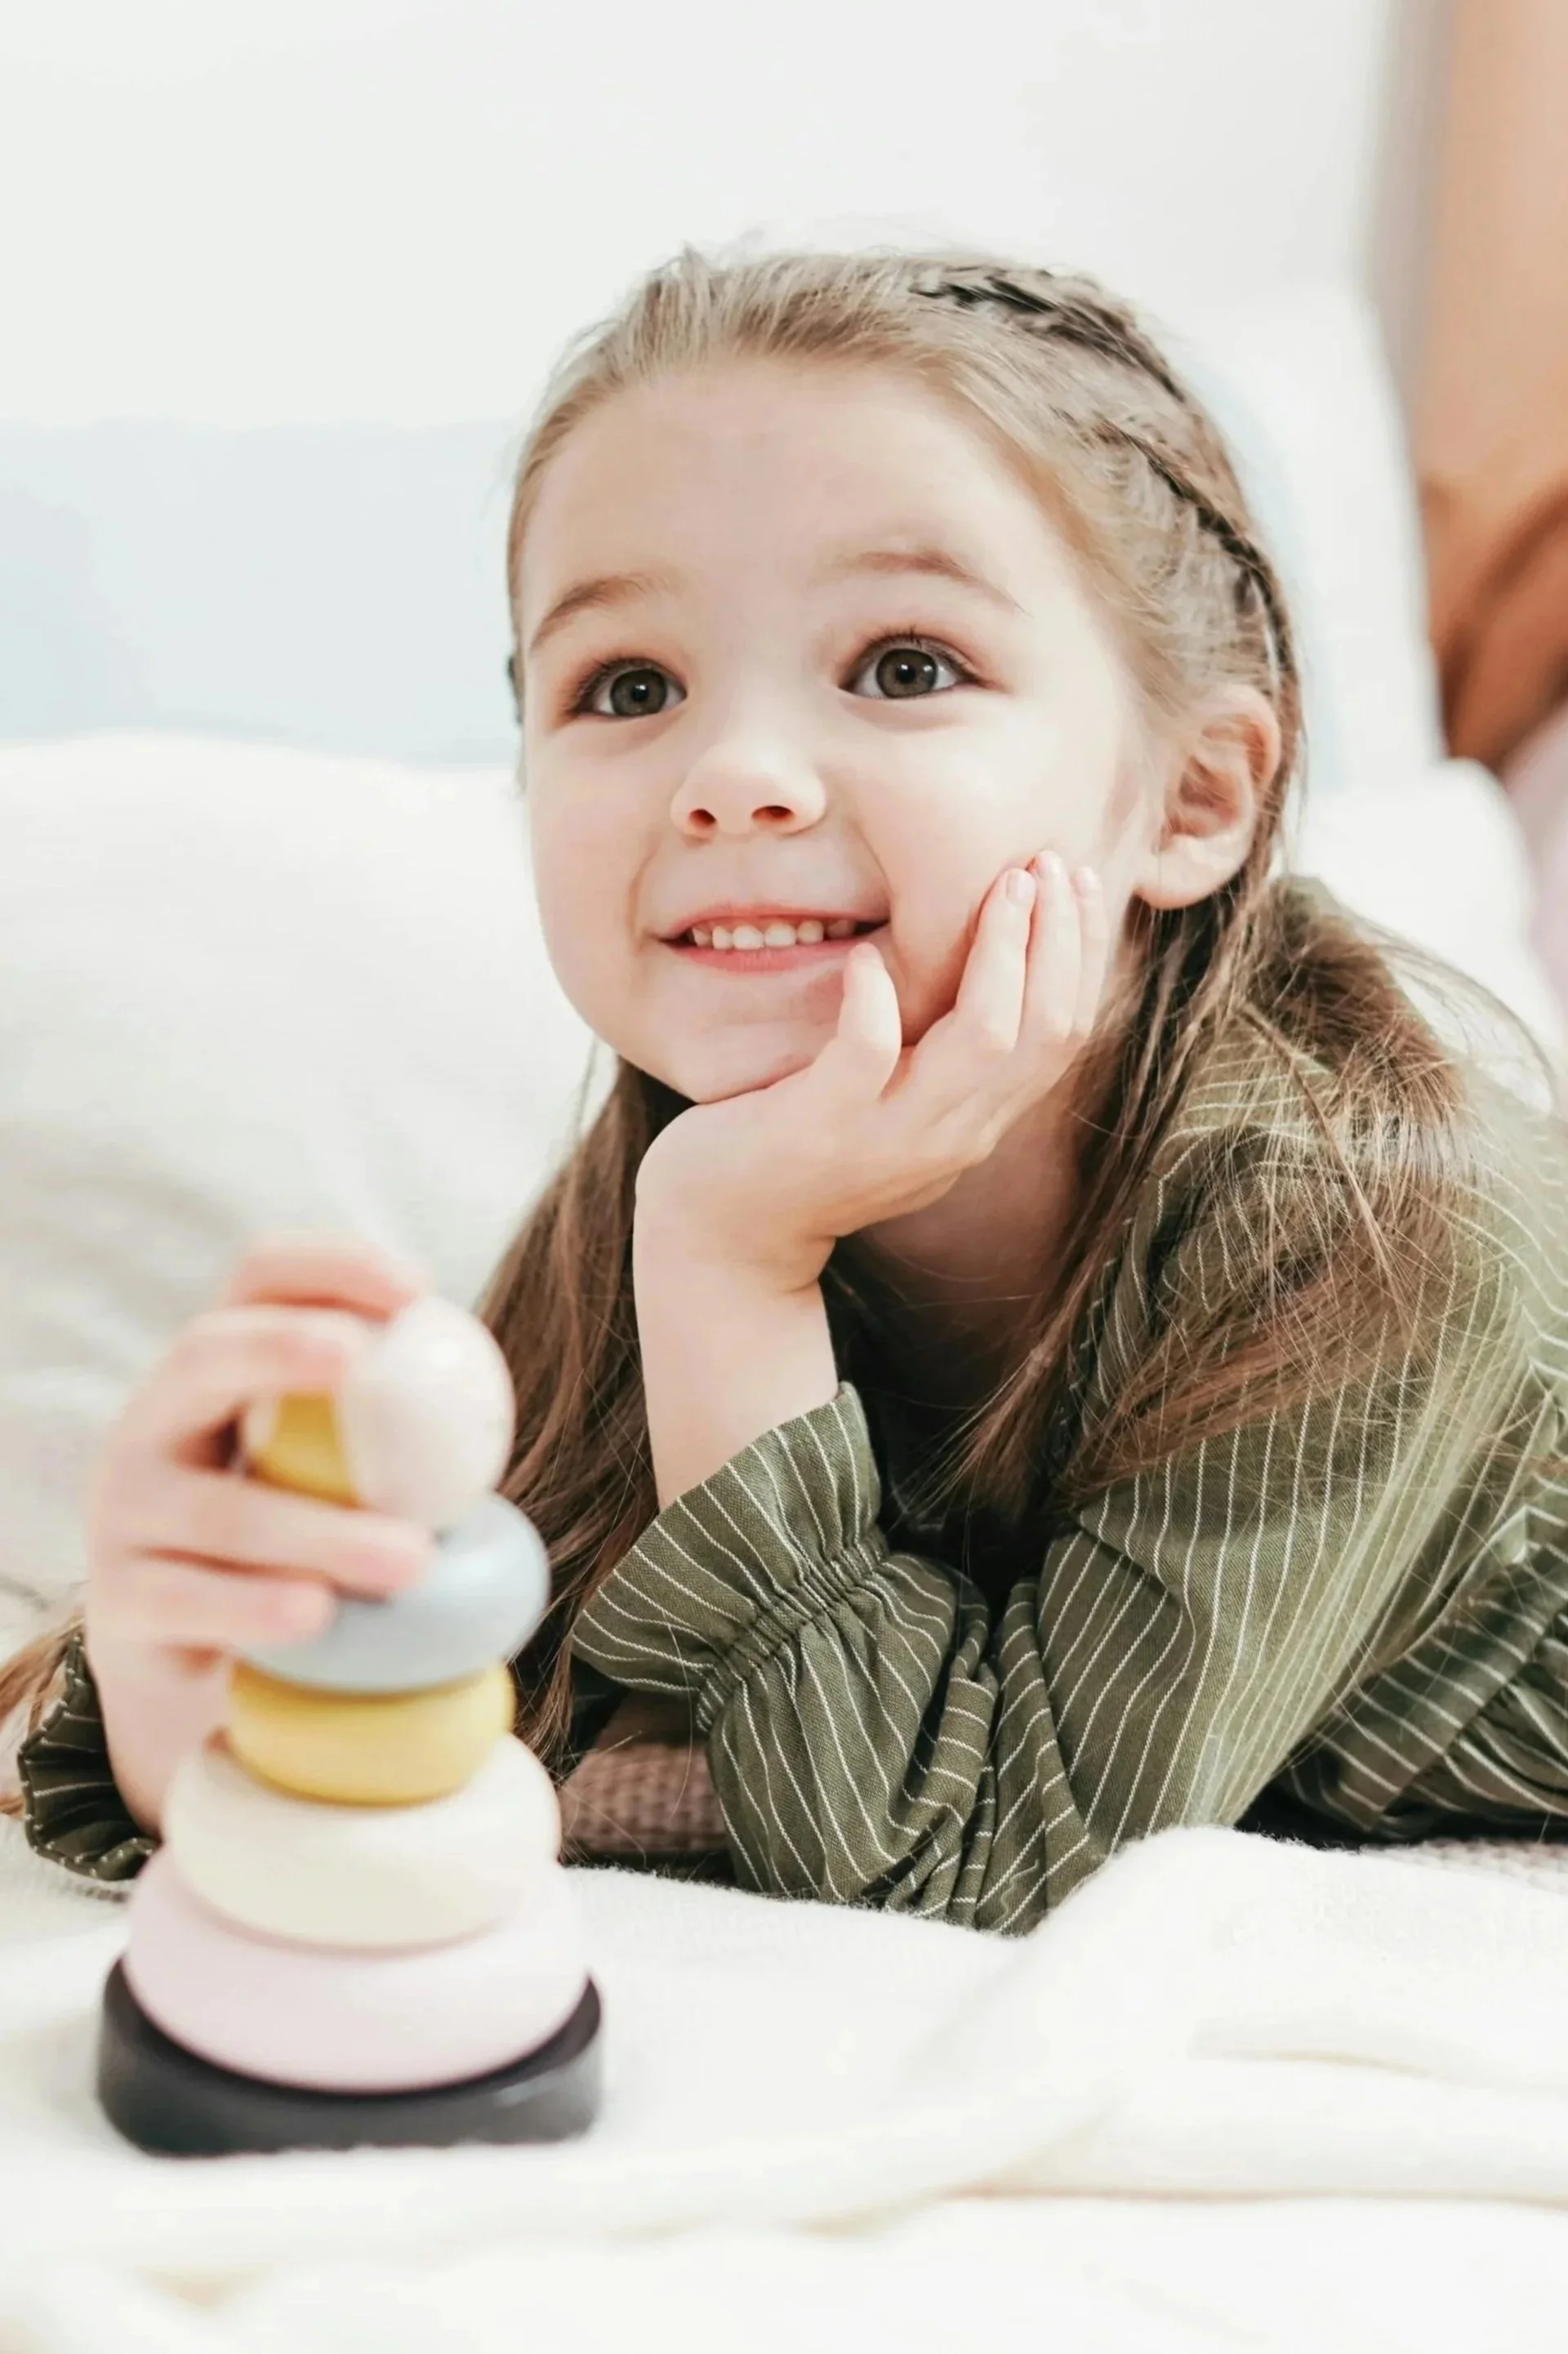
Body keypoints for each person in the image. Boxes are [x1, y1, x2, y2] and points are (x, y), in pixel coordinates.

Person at [7, 246, 1568, 1936]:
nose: (733, 776)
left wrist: (731, 1277)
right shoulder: (700, 1165)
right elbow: (482, 1700)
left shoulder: (1369, 1222)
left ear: (1192, 797)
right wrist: (195, 1679)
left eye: (905, 664)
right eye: (629, 687)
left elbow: (966, 1868)